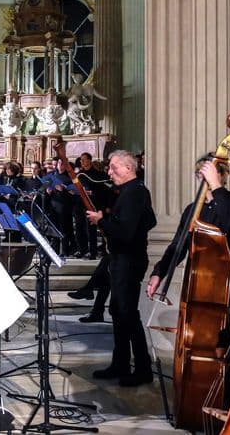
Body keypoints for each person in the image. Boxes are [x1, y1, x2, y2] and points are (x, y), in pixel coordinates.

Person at [145, 156, 230, 351]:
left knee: (229, 340)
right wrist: (159, 273)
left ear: (224, 175)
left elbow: (229, 226)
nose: (204, 179)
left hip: (229, 281)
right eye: (200, 174)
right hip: (199, 284)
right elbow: (178, 245)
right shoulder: (192, 210)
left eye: (209, 173)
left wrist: (215, 185)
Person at [86, 150, 157, 387]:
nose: (109, 171)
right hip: (122, 259)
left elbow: (126, 232)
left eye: (113, 167)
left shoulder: (134, 193)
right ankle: (121, 363)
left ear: (128, 168)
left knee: (128, 314)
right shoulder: (132, 191)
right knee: (118, 312)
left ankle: (143, 369)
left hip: (128, 260)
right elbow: (150, 220)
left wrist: (101, 221)